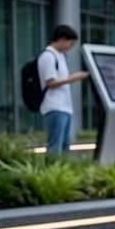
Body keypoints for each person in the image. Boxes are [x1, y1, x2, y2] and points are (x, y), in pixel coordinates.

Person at [38, 24, 89, 155]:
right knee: (55, 145)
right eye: (70, 43)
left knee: (65, 145)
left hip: (65, 106)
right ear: (61, 39)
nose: (70, 47)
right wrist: (74, 78)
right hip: (54, 106)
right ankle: (53, 171)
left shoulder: (61, 56)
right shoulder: (48, 56)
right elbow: (51, 82)